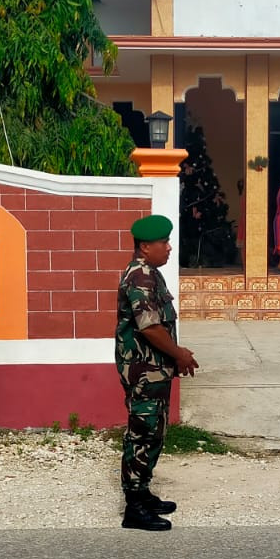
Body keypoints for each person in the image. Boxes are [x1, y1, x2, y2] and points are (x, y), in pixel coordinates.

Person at [115, 215, 198, 531]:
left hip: (154, 368)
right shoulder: (139, 277)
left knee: (155, 429)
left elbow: (160, 325)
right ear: (145, 246)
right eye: (163, 243)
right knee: (143, 431)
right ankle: (134, 508)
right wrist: (180, 354)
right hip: (142, 369)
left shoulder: (151, 274)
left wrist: (174, 358)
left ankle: (143, 491)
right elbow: (150, 327)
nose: (169, 247)